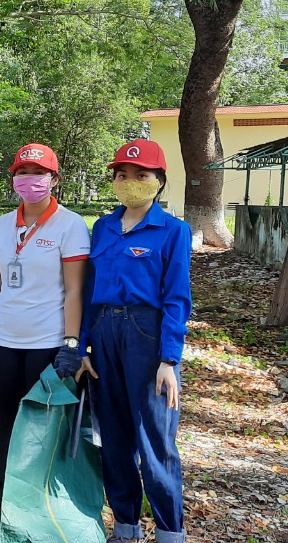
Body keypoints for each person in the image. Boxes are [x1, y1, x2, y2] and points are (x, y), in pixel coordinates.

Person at [80, 139, 192, 543]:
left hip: (147, 335)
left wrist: (169, 359)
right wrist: (83, 348)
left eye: (141, 175)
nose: (130, 182)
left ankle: (169, 532)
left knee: (155, 439)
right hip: (105, 334)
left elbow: (178, 297)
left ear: (159, 181)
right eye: (122, 175)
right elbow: (90, 289)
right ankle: (125, 527)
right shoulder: (103, 227)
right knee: (113, 435)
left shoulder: (173, 231)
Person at [0, 143, 90, 498]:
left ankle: (38, 505)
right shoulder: (4, 226)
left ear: (54, 179)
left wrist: (71, 343)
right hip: (4, 341)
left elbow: (74, 291)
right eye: (22, 172)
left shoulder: (70, 225)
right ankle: (9, 505)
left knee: (41, 427)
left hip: (47, 343)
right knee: (5, 424)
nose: (29, 179)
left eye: (38, 173)